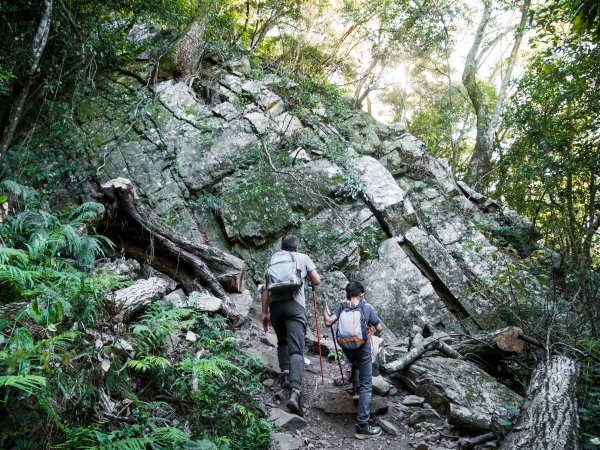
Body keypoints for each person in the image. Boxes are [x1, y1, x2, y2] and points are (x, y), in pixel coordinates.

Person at [261, 234, 321, 416]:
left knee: (282, 342)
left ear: (282, 247)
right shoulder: (302, 258)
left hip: (276, 307)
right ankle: (295, 393)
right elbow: (316, 280)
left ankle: (286, 374)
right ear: (296, 247)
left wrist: (265, 313)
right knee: (296, 350)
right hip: (295, 306)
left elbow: (264, 288)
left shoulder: (273, 260)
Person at [322, 281, 383, 439]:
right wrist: (377, 337)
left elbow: (328, 322)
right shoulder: (366, 307)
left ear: (348, 294)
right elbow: (379, 328)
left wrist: (324, 305)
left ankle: (356, 389)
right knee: (366, 385)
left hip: (347, 347)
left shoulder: (342, 306)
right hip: (362, 347)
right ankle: (362, 426)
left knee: (355, 364)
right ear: (361, 294)